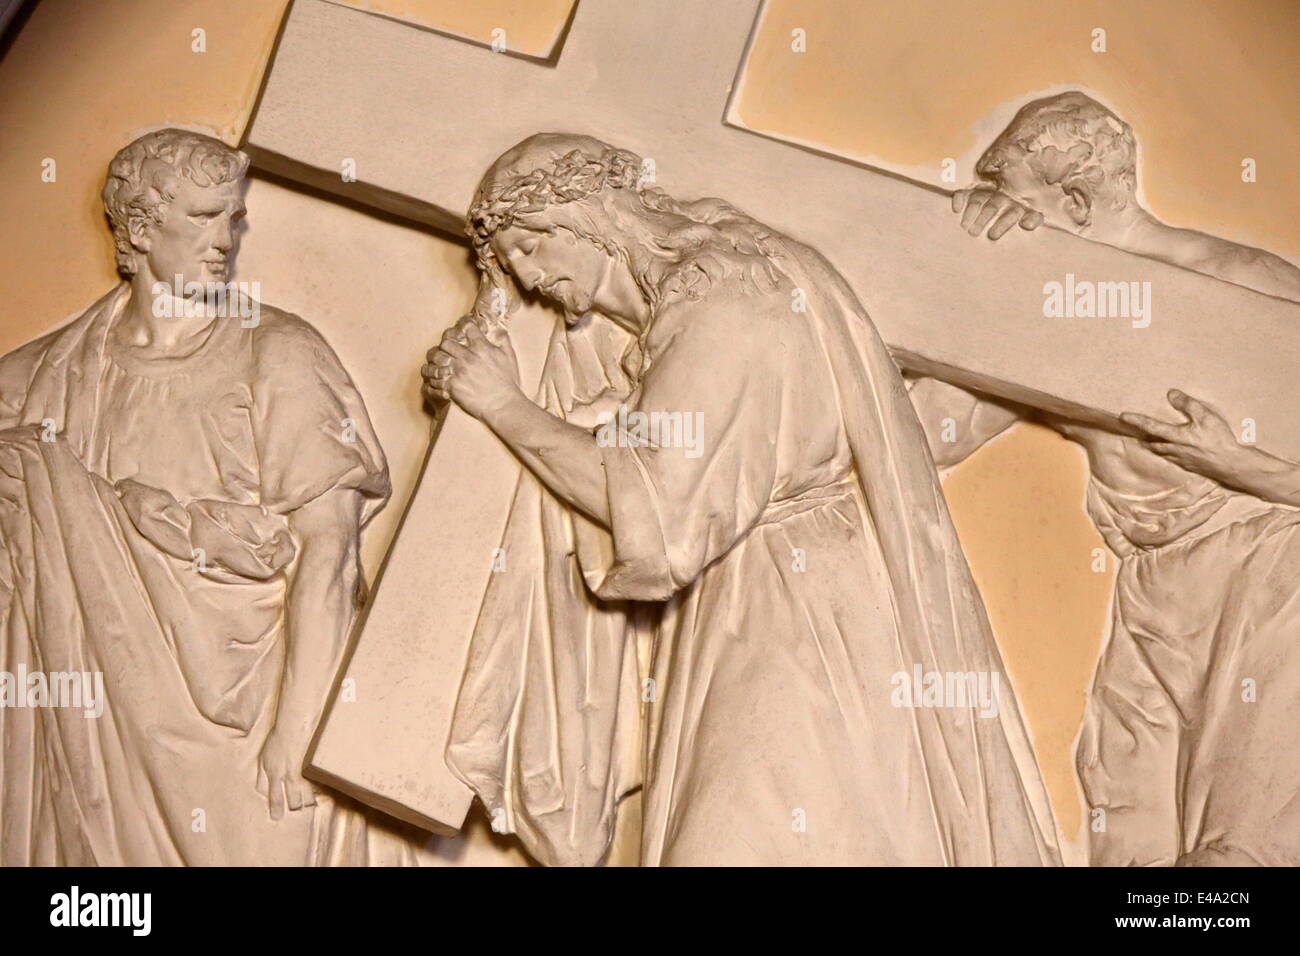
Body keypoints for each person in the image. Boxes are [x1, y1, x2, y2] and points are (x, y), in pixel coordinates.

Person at [423, 132, 1060, 866]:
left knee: (739, 836)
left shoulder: (719, 298)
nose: (530, 281)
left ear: (587, 217)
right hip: (773, 595)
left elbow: (659, 515)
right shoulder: (722, 273)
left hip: (793, 612)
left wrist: (503, 405)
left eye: (530, 248)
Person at [0, 128, 413, 864]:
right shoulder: (35, 383)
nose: (224, 239)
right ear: (139, 226)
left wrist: (300, 733)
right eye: (201, 217)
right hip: (93, 734)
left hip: (251, 736)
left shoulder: (279, 354)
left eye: (233, 216)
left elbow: (332, 555)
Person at [911, 92, 1300, 865]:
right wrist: (953, 283)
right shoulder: (1050, 310)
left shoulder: (1247, 284)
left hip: (1270, 571)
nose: (1005, 217)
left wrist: (1246, 466)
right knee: (1127, 834)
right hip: (1153, 589)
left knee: (1245, 843)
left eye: (1018, 201)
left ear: (1080, 202)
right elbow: (927, 440)